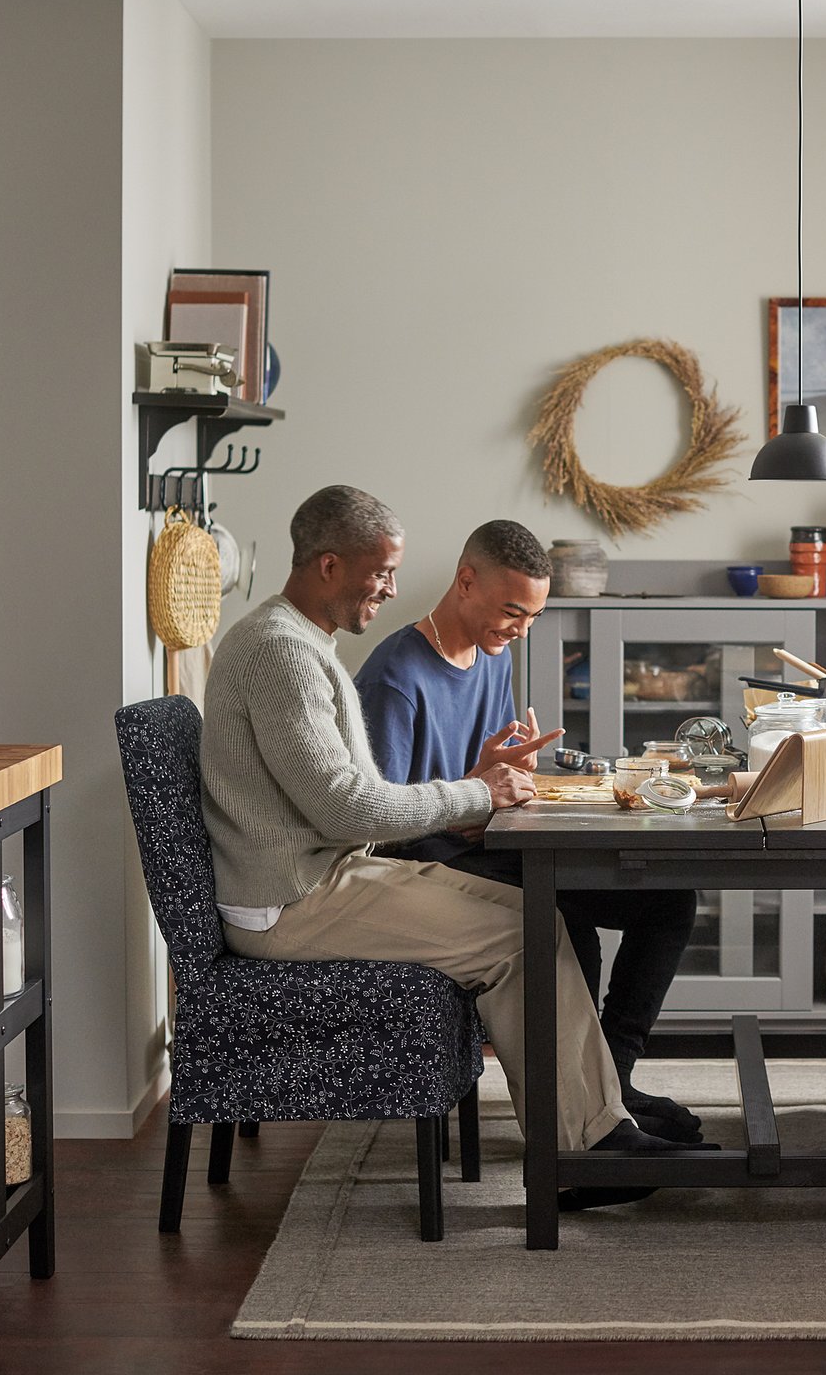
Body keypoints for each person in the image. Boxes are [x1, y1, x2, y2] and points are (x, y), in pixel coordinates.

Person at [201, 486, 710, 1212]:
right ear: (326, 564)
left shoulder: (298, 644)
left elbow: (348, 809)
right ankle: (585, 1150)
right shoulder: (282, 654)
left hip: (323, 879)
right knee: (521, 934)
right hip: (292, 901)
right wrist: (479, 794)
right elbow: (350, 809)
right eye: (379, 572)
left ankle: (596, 1126)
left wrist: (479, 788)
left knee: (537, 917)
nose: (392, 589)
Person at [355, 519, 703, 1143]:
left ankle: (611, 1085)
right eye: (513, 612)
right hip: (427, 866)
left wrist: (509, 773)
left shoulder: (493, 654)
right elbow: (376, 829)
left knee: (669, 900)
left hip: (492, 840)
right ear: (466, 581)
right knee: (570, 921)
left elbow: (487, 775)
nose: (520, 630)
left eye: (534, 617)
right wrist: (476, 792)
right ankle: (583, 1113)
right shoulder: (394, 679)